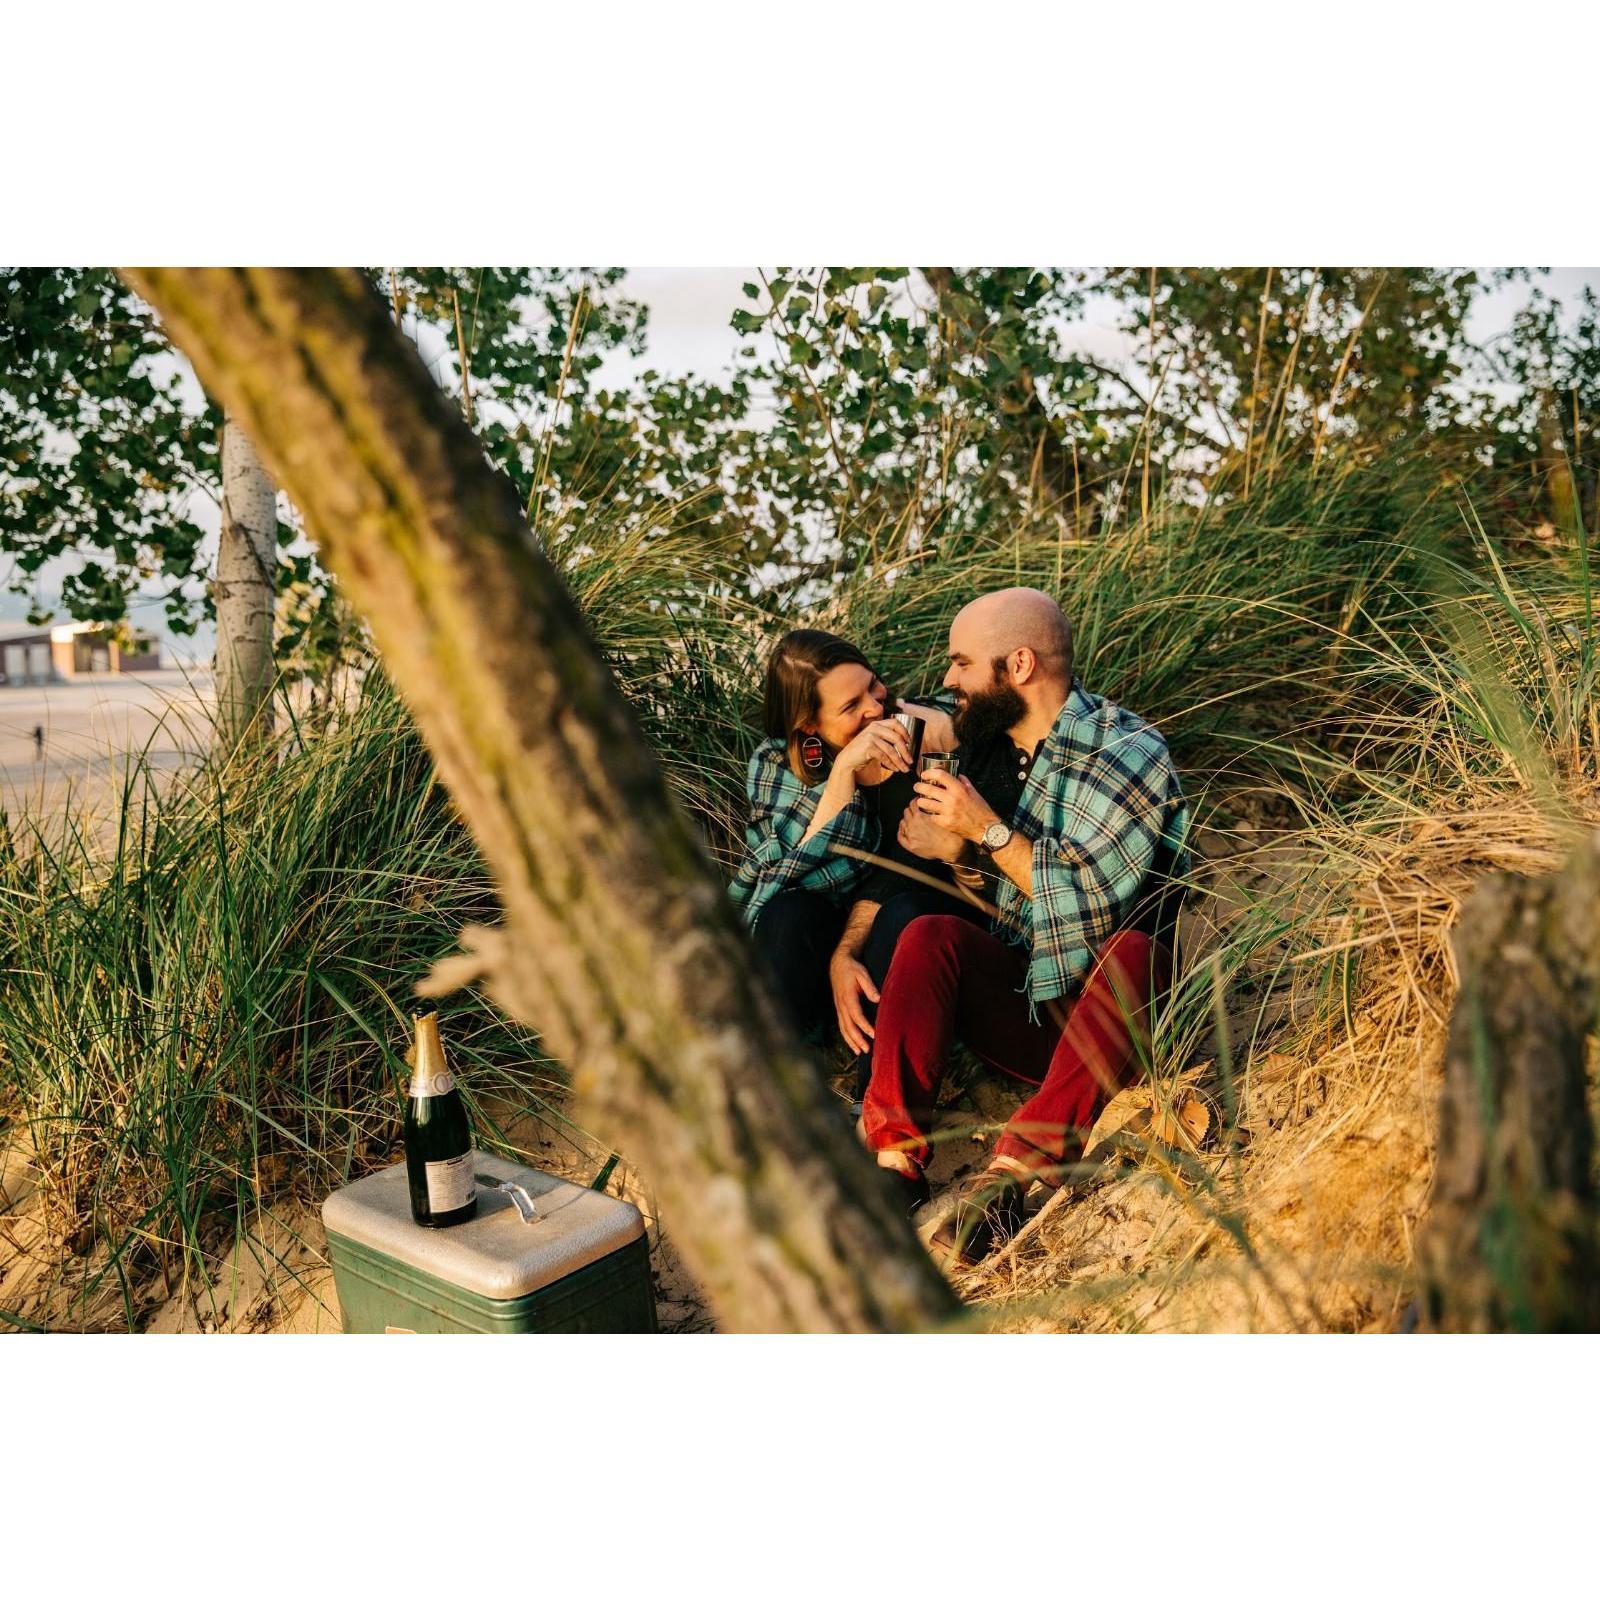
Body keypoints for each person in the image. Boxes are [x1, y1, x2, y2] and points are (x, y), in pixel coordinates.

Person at [861, 587, 1190, 1261]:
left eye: (960, 662)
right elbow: (1015, 912)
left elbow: (1093, 906)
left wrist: (982, 829)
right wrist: (959, 855)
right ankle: (893, 1165)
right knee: (930, 934)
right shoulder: (987, 757)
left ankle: (1014, 1173)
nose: (948, 678)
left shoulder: (1125, 745)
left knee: (1134, 952)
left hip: (1119, 1022)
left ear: (1018, 665)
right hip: (1036, 1011)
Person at [729, 629, 983, 1071]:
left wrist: (953, 740)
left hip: (909, 927)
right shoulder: (777, 766)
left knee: (901, 914)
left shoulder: (929, 729)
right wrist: (843, 772)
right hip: (831, 934)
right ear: (809, 725)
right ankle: (764, 1077)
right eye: (851, 706)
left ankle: (875, 1098)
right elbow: (778, 877)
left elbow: (922, 857)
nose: (874, 706)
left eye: (872, 685)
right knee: (786, 914)